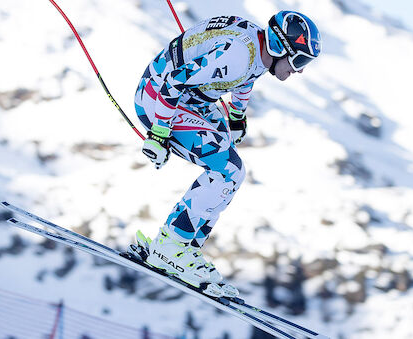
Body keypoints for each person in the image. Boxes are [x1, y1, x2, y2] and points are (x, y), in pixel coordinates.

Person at [130, 11, 321, 297]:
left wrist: (236, 117)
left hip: (191, 100)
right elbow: (173, 80)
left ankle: (184, 249)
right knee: (227, 169)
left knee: (233, 172)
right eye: (299, 60)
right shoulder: (238, 56)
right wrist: (158, 134)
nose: (300, 69)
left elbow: (245, 80)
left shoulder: (257, 51)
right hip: (159, 99)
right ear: (281, 46)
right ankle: (170, 246)